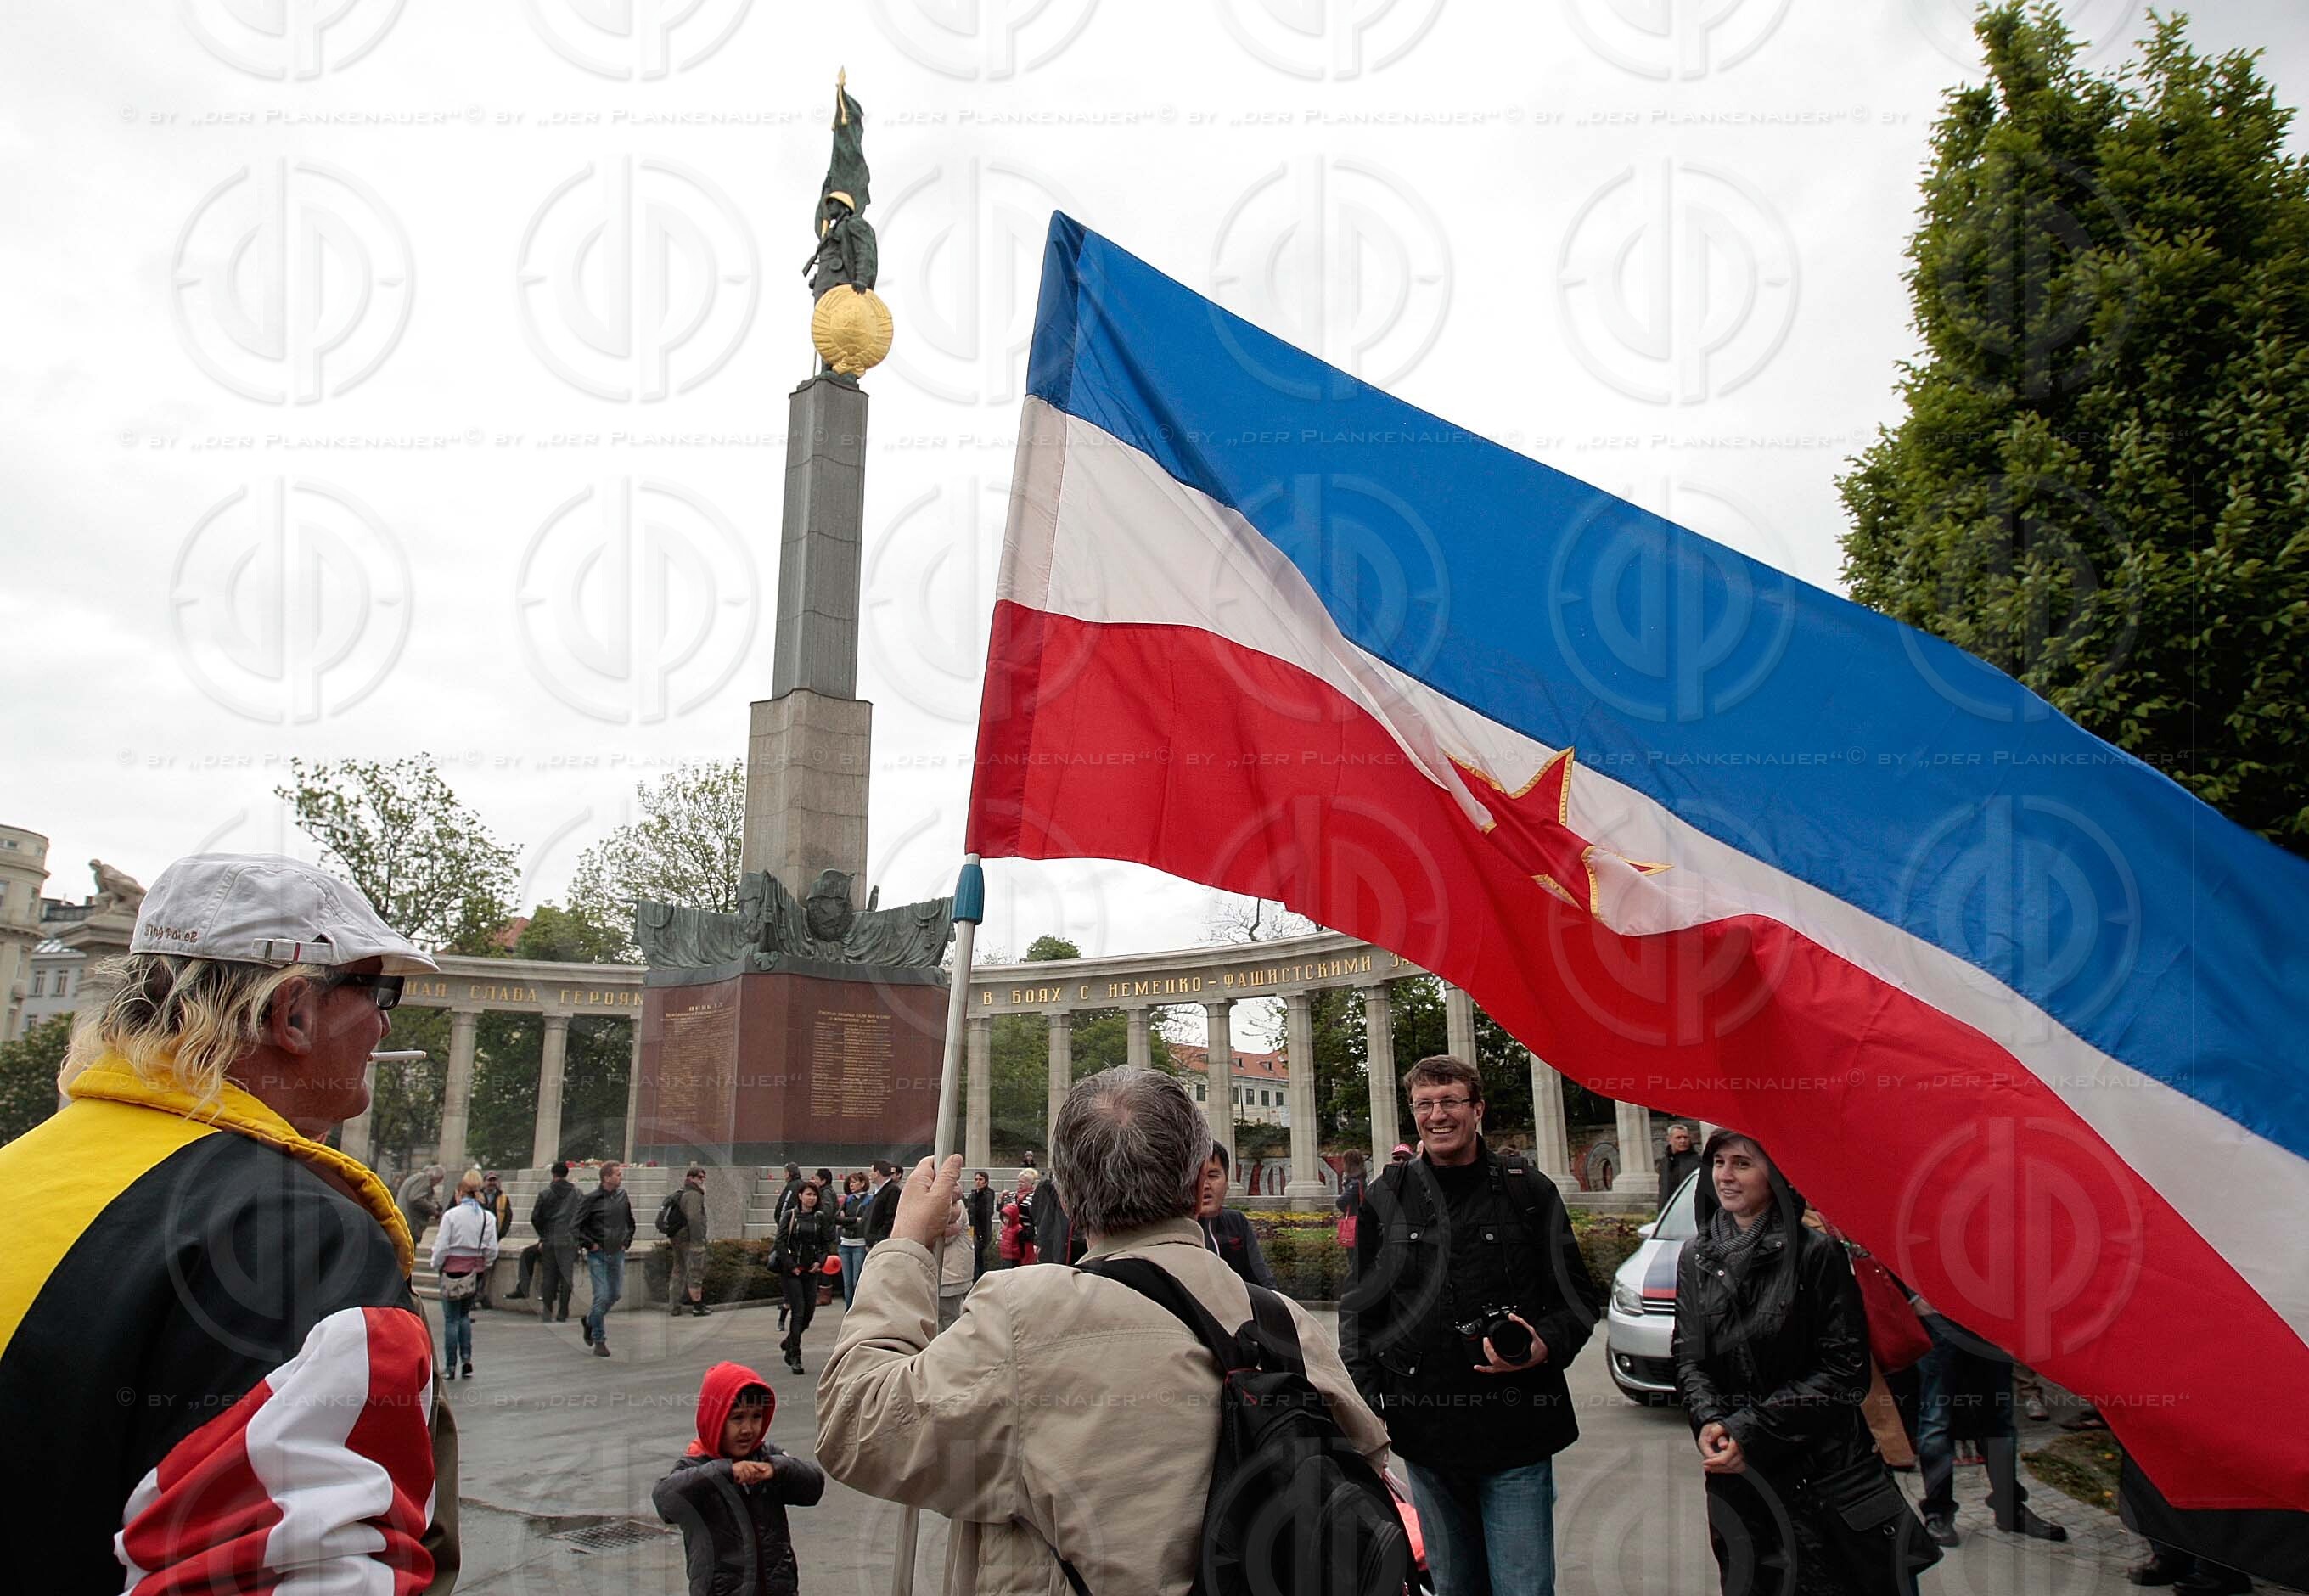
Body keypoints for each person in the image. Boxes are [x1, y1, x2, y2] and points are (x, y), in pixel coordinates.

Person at [0, 851, 457, 1588]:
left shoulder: (17, 1167)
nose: (381, 1024)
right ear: (293, 1013)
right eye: (380, 991)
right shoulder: (299, 1239)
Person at [817, 1066, 1390, 1593]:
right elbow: (1367, 1471)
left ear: (1066, 1195)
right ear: (1200, 1183)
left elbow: (856, 1420)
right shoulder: (1282, 1321)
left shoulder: (1023, 1316)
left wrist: (905, 1246)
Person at [1343, 1054, 1600, 1596]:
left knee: (1523, 1586)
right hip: (1425, 1431)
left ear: (1477, 1109)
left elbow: (1578, 1298)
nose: (1437, 1116)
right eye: (1424, 1104)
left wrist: (1545, 1345)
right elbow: (1362, 1311)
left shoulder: (1528, 1190)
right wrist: (1367, 1403)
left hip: (1516, 1429)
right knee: (1454, 1584)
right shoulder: (1387, 1196)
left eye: (1451, 1102)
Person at [1674, 1130, 1939, 1595]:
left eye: (1742, 1164)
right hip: (1739, 1482)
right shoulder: (1695, 1257)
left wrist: (1748, 1430)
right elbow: (1688, 1355)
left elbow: (1844, 1371)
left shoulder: (1816, 1253)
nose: (1726, 1176)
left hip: (1824, 1476)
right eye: (1719, 1163)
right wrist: (1711, 1421)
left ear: (1775, 1174)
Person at [654, 1361, 825, 1596]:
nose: (748, 1429)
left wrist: (778, 1469)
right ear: (715, 1419)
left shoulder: (767, 1457)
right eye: (737, 1418)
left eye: (756, 1417)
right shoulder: (696, 1466)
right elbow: (666, 1502)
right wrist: (724, 1473)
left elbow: (814, 1487)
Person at [1912, 1300, 2066, 1546]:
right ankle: (1937, 1511)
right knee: (1936, 1419)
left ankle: (2009, 1509)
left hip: (1988, 1314)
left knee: (1998, 1418)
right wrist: (1913, 1297)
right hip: (1938, 1315)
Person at [433, 1168, 500, 1379]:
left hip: (452, 1269)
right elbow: (492, 1249)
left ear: (459, 1193)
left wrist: (437, 1264)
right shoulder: (487, 1217)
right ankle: (466, 1358)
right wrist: (484, 1263)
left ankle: (451, 1365)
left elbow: (442, 1246)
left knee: (451, 1318)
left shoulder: (451, 1216)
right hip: (474, 1270)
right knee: (464, 1315)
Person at [1195, 1143, 1278, 1289]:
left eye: (1213, 1176)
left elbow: (1263, 1281)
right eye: (1197, 1177)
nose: (1205, 1185)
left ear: (1227, 1182)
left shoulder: (1237, 1222)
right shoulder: (1173, 1227)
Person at [576, 1160, 636, 1357]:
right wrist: (590, 1244)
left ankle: (590, 1319)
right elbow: (575, 1226)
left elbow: (630, 1222)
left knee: (614, 1294)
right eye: (617, 1174)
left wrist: (626, 1241)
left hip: (617, 1252)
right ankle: (599, 1339)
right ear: (606, 1177)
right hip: (598, 1254)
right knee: (601, 1295)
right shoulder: (591, 1199)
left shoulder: (622, 1196)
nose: (620, 1177)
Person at [778, 1180, 836, 1374]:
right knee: (798, 1311)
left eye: (814, 1195)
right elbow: (780, 1244)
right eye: (808, 1194)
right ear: (800, 1196)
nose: (811, 1198)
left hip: (811, 1271)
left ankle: (790, 1341)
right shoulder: (790, 1216)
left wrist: (820, 1261)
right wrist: (792, 1265)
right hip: (792, 1271)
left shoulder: (819, 1218)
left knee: (809, 1313)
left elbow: (825, 1244)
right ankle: (795, 1354)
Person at [529, 1158, 581, 1323]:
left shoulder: (545, 1194)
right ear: (567, 1173)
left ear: (553, 1174)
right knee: (567, 1277)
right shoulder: (577, 1194)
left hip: (550, 1240)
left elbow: (535, 1218)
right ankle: (563, 1312)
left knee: (549, 1276)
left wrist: (543, 1236)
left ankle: (547, 1311)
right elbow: (583, 1216)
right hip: (569, 1241)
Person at [669, 1165, 711, 1318]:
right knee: (695, 1272)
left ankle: (674, 1306)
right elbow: (694, 1219)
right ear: (690, 1178)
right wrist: (698, 1241)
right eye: (699, 1177)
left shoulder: (682, 1193)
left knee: (678, 1271)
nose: (702, 1180)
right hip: (690, 1240)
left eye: (703, 1177)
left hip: (678, 1238)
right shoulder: (694, 1195)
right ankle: (697, 1306)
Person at [1034, 1170, 1088, 1266]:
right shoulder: (1060, 1192)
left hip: (1084, 1245)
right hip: (1063, 1243)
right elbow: (1048, 1216)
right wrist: (1040, 1241)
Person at [477, 1171, 513, 1307]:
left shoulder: (503, 1198)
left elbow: (508, 1217)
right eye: (489, 1180)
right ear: (484, 1182)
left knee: (487, 1269)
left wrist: (500, 1235)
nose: (492, 1183)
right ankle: (476, 1295)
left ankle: (481, 1294)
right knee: (476, 1270)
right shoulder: (478, 1196)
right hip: (477, 1237)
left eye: (494, 1180)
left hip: (493, 1237)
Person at [835, 1172, 871, 1303]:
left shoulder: (869, 1200)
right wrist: (854, 1220)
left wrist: (847, 1221)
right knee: (847, 1283)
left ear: (863, 1183)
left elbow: (864, 1222)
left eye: (855, 1182)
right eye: (850, 1182)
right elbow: (837, 1219)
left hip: (859, 1244)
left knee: (857, 1281)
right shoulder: (848, 1200)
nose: (851, 1185)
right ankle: (848, 1309)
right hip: (845, 1243)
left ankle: (857, 1308)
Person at [1657, 1122, 1703, 1213]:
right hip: (1668, 1212)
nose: (1683, 1141)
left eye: (1685, 1137)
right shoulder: (1664, 1163)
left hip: (1690, 1210)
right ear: (1669, 1139)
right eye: (1678, 1138)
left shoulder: (1698, 1162)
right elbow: (1662, 1190)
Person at [998, 1169, 1039, 1267]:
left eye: (1023, 1182)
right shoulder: (1011, 1196)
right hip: (1011, 1236)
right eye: (1019, 1181)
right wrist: (1001, 1199)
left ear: (1030, 1184)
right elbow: (1001, 1211)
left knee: (1026, 1263)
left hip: (1026, 1236)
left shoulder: (1035, 1197)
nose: (1020, 1184)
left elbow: (1036, 1217)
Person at [397, 1162, 445, 1240]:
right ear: (437, 1178)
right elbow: (416, 1198)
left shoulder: (417, 1178)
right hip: (409, 1223)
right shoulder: (423, 1179)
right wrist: (434, 1211)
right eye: (439, 1180)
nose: (437, 1184)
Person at [862, 1158, 902, 1249]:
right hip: (871, 1240)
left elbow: (890, 1217)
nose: (870, 1174)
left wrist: (879, 1239)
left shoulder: (893, 1190)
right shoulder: (877, 1191)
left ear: (877, 1173)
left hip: (880, 1242)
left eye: (871, 1171)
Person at [965, 1169, 997, 1278]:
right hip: (972, 1228)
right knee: (973, 1256)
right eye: (976, 1179)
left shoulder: (987, 1195)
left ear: (986, 1181)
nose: (978, 1182)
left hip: (981, 1230)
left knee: (979, 1257)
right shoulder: (974, 1194)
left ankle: (979, 1278)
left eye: (980, 1179)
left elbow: (987, 1213)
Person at [1336, 1148, 1368, 1246]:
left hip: (1354, 1223)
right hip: (1362, 1222)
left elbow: (1340, 1201)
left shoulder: (1354, 1184)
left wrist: (1348, 1211)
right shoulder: (1362, 1180)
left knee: (1354, 1251)